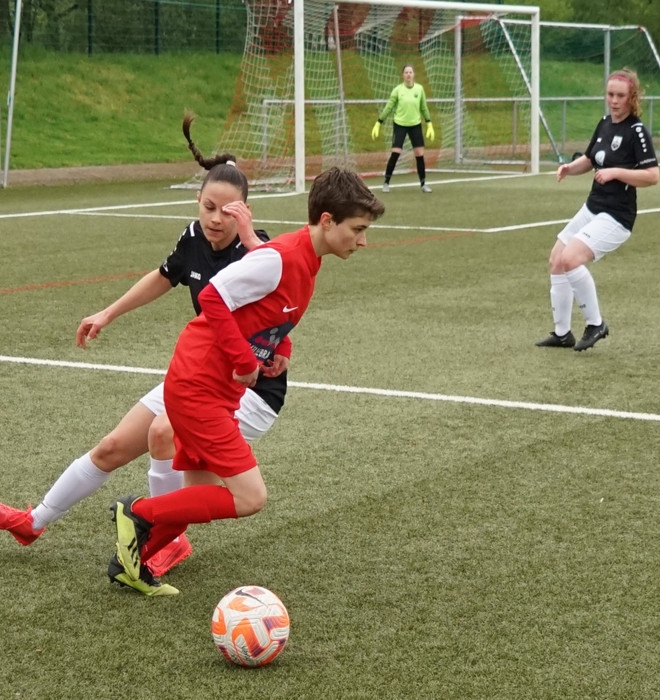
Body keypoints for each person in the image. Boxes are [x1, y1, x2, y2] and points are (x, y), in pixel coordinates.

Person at [0, 113, 290, 586]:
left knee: (163, 431)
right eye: (208, 207)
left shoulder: (258, 253)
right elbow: (165, 276)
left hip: (249, 389)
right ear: (198, 200)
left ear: (244, 213)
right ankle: (34, 523)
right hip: (200, 376)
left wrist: (281, 346)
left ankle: (163, 540)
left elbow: (284, 304)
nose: (215, 218)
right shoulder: (193, 236)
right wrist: (108, 313)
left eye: (227, 212)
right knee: (113, 447)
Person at [109, 166, 385, 597]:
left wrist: (279, 349)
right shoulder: (283, 257)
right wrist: (243, 360)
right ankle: (138, 512)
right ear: (327, 221)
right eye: (358, 229)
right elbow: (213, 296)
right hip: (198, 384)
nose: (363, 241)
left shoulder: (303, 258)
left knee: (197, 499)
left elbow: (271, 309)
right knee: (250, 497)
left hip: (217, 390)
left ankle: (132, 562)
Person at [536, 68, 660, 352]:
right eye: (610, 94)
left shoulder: (636, 131)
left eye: (620, 96)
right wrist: (569, 168)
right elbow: (591, 159)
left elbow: (653, 176)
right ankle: (562, 333)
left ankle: (596, 324)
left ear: (632, 98)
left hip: (616, 216)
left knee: (570, 259)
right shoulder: (605, 123)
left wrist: (616, 172)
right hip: (593, 207)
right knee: (557, 259)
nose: (614, 101)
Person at [371, 64, 435, 194]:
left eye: (410, 72)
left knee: (419, 154)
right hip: (400, 125)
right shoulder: (397, 90)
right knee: (396, 152)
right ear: (403, 75)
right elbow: (389, 107)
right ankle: (386, 182)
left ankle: (423, 184)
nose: (408, 74)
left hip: (415, 125)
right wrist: (379, 122)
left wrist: (429, 123)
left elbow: (424, 107)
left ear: (414, 74)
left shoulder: (419, 89)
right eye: (406, 72)